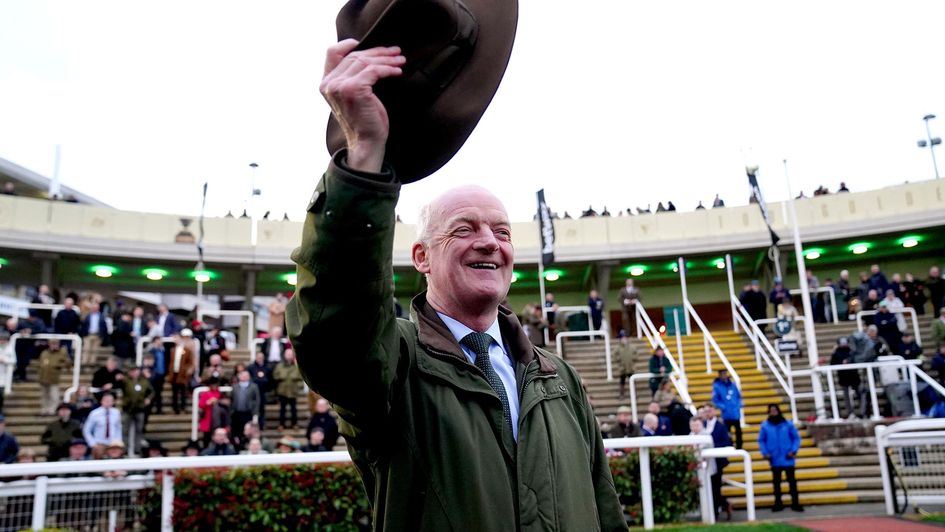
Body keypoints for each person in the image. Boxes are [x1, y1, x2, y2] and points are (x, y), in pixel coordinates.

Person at [285, 37, 623, 531]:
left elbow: (604, 511)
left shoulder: (558, 379)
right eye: (464, 229)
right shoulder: (395, 364)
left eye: (501, 232)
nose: (489, 242)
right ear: (421, 256)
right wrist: (364, 155)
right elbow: (336, 325)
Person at [758, 404, 803, 512]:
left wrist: (793, 450)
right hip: (774, 458)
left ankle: (795, 503)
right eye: (771, 411)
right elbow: (761, 440)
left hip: (788, 457)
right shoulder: (765, 426)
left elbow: (796, 438)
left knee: (792, 482)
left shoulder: (788, 424)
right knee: (776, 483)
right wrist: (765, 453)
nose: (773, 412)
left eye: (775, 410)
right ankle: (778, 503)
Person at [700, 404, 733, 520]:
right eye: (705, 411)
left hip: (717, 462)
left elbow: (727, 442)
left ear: (714, 411)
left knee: (715, 487)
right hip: (705, 461)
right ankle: (723, 505)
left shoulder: (721, 426)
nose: (707, 413)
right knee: (709, 486)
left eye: (709, 411)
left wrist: (711, 447)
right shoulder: (702, 425)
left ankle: (716, 511)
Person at [119, 366, 154, 454]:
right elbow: (118, 383)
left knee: (139, 430)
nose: (134, 373)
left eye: (136, 371)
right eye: (133, 371)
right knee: (125, 430)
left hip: (140, 409)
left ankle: (137, 449)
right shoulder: (125, 380)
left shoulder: (144, 381)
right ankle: (125, 449)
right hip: (127, 409)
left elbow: (151, 391)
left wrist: (148, 398)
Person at [830, 337, 861, 419]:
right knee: (846, 396)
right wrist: (833, 354)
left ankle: (864, 411)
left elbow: (856, 360)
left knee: (860, 393)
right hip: (843, 377)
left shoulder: (852, 351)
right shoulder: (837, 353)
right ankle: (850, 412)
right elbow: (832, 364)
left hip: (854, 376)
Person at [37, 339, 70, 415]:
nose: (54, 345)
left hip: (54, 378)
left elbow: (68, 364)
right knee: (44, 395)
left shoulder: (61, 353)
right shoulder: (44, 353)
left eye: (56, 344)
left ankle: (52, 410)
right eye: (52, 344)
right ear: (49, 344)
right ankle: (44, 409)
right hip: (43, 377)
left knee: (54, 395)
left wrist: (59, 365)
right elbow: (40, 364)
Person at [711, 369, 742, 449]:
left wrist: (738, 405)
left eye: (725, 373)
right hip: (726, 413)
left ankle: (739, 446)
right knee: (727, 431)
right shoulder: (717, 386)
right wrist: (723, 407)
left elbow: (738, 396)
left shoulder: (732, 385)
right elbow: (715, 399)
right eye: (723, 374)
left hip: (735, 412)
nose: (724, 375)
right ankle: (729, 444)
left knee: (738, 431)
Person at [230, 370, 260, 448]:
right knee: (237, 431)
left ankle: (247, 445)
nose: (244, 377)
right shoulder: (235, 387)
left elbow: (257, 401)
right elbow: (231, 399)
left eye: (246, 375)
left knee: (247, 430)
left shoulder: (254, 386)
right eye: (242, 375)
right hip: (237, 413)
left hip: (248, 413)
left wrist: (255, 413)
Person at [273, 349, 302, 429]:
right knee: (282, 409)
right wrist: (282, 377)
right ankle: (281, 424)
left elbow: (300, 377)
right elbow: (275, 376)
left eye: (290, 354)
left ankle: (294, 424)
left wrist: (298, 385)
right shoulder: (279, 366)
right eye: (287, 354)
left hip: (293, 390)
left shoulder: (297, 365)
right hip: (282, 390)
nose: (289, 356)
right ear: (284, 355)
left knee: (294, 409)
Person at [169, 332, 196, 414]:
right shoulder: (173, 350)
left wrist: (186, 370)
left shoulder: (187, 350)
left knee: (183, 391)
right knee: (175, 392)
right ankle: (175, 408)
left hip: (183, 374)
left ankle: (183, 407)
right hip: (174, 373)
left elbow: (190, 362)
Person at [249, 351, 273, 427]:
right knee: (253, 408)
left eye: (261, 357)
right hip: (253, 392)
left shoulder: (268, 367)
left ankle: (261, 424)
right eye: (258, 357)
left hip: (263, 391)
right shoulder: (251, 367)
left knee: (262, 408)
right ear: (255, 358)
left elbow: (271, 380)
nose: (260, 359)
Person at [198, 378, 223, 446]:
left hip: (217, 418)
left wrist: (217, 401)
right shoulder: (206, 394)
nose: (214, 387)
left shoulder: (220, 393)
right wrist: (208, 403)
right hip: (208, 418)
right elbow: (200, 404)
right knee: (206, 437)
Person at [615, 330, 636, 399]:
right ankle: (622, 394)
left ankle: (633, 394)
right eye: (622, 338)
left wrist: (633, 359)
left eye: (625, 337)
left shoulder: (632, 347)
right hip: (622, 368)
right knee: (622, 382)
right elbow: (615, 356)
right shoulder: (618, 348)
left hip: (630, 367)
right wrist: (619, 360)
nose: (624, 339)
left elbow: (636, 354)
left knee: (632, 381)